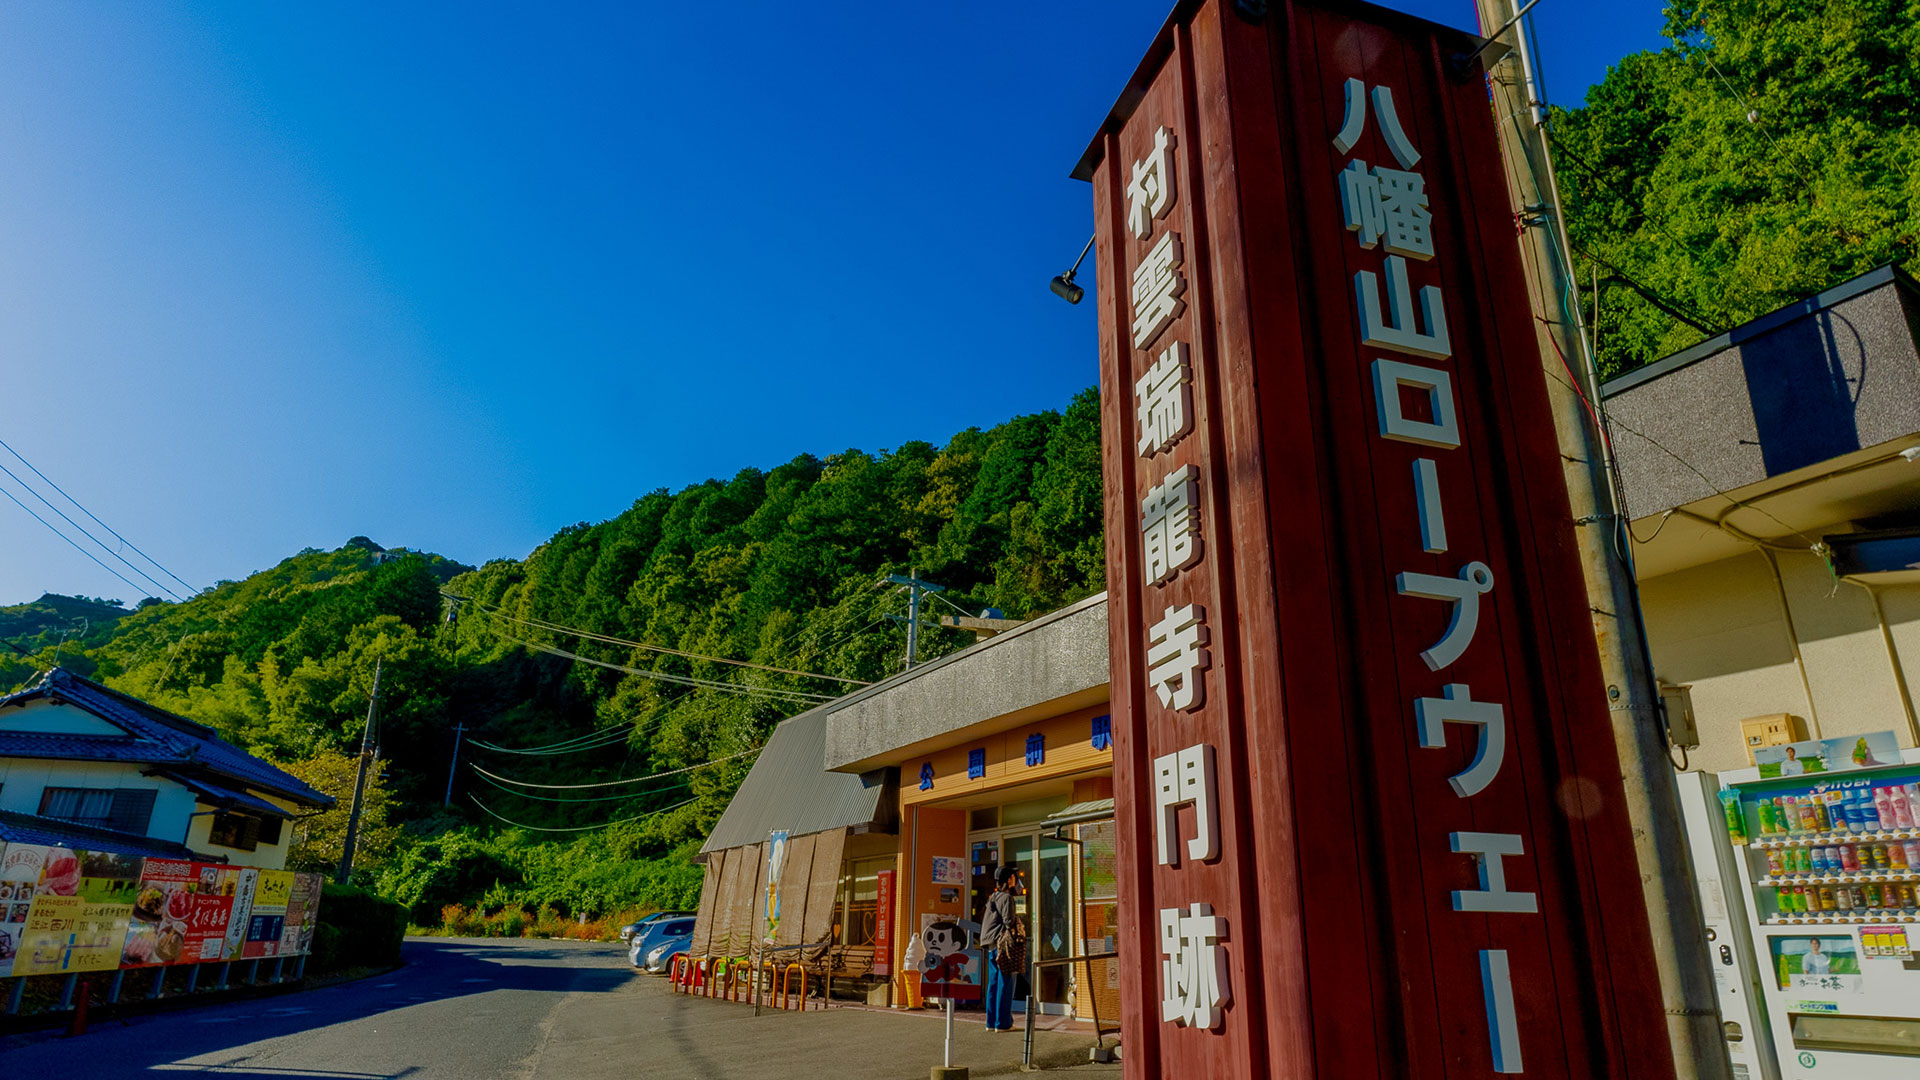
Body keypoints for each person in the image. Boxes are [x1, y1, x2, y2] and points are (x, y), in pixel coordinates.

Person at [980, 864, 1020, 1032]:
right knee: (1005, 982)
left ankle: (991, 1022)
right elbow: (1009, 921)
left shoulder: (993, 897)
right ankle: (1003, 1023)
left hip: (990, 944)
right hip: (1001, 944)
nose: (1016, 880)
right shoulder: (1006, 898)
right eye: (1013, 877)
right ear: (1009, 879)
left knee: (994, 983)